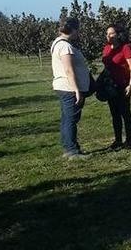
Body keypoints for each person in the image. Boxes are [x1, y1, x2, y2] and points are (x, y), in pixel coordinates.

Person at [50, 16, 91, 160]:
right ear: (73, 29)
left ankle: (70, 146)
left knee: (67, 118)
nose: (78, 32)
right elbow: (68, 70)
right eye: (77, 29)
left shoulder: (59, 43)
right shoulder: (65, 46)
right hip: (68, 88)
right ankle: (71, 150)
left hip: (65, 87)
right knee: (71, 119)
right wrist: (76, 91)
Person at [102, 24, 131, 150]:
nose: (108, 36)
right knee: (114, 114)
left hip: (122, 85)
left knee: (125, 113)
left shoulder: (125, 48)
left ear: (118, 34)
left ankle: (128, 140)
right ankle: (118, 140)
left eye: (111, 33)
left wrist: (130, 85)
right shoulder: (106, 48)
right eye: (107, 33)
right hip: (110, 86)